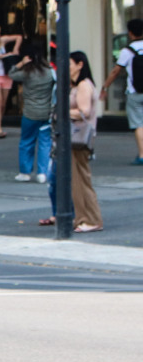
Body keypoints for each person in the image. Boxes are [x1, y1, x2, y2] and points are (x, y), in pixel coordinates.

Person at [8, 42, 55, 183]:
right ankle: (43, 172)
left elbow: (11, 74)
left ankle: (25, 172)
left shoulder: (26, 74)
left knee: (26, 142)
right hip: (46, 113)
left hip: (29, 113)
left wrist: (20, 63)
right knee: (45, 143)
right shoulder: (49, 72)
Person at [67, 51, 103, 233]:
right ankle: (83, 217)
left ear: (80, 64)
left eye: (70, 63)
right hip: (77, 137)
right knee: (77, 179)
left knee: (81, 179)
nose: (67, 67)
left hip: (79, 136)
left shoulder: (83, 85)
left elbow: (84, 111)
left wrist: (61, 111)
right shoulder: (78, 85)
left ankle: (91, 218)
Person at [99, 18, 143, 164]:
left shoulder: (127, 51)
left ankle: (142, 155)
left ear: (130, 33)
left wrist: (105, 87)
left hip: (135, 92)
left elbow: (116, 71)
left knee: (138, 124)